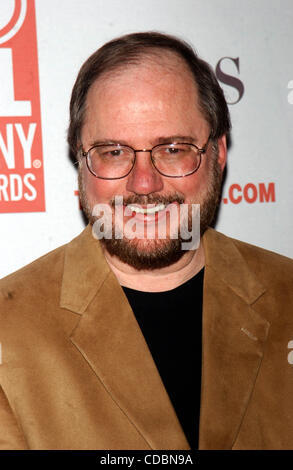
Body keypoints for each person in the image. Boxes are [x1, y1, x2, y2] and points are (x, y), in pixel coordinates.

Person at [0, 31, 293, 451]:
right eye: (114, 152)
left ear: (219, 153)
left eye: (173, 149)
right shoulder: (8, 332)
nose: (143, 183)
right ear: (80, 162)